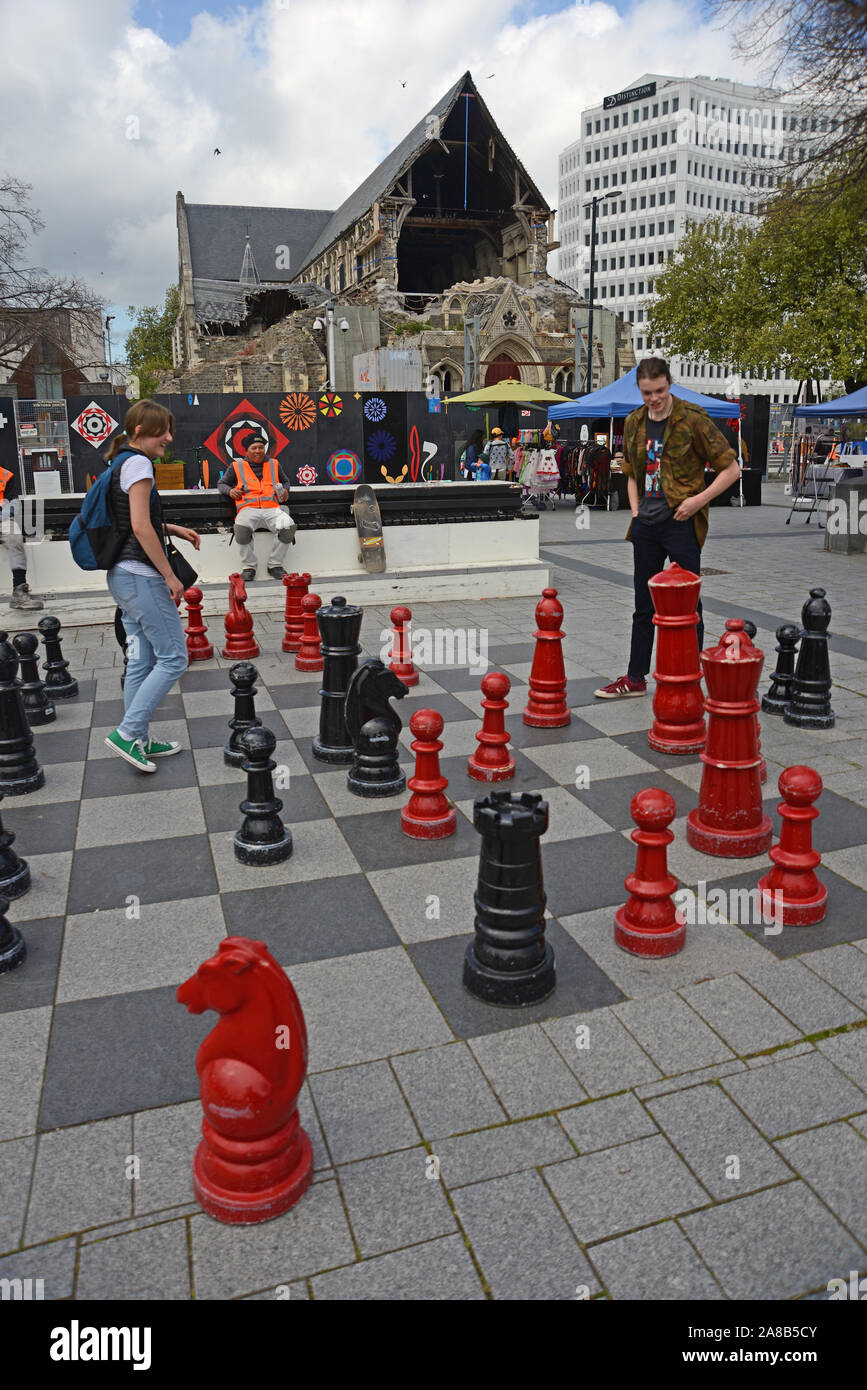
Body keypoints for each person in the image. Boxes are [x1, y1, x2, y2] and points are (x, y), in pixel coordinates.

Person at [594, 356, 741, 699]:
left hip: (681, 522)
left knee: (690, 605)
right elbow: (631, 472)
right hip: (645, 524)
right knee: (643, 605)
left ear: (669, 384)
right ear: (640, 390)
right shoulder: (633, 422)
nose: (654, 398)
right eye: (647, 392)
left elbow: (731, 469)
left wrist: (696, 501)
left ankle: (690, 677)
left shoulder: (692, 418)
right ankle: (635, 678)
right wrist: (634, 511)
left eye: (659, 391)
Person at [103, 400, 201, 772]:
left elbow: (132, 521)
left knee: (141, 661)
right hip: (142, 578)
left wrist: (172, 528)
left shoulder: (120, 461)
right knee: (175, 657)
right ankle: (128, 732)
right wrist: (170, 575)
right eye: (162, 431)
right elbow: (140, 528)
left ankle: (139, 740)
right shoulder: (140, 464)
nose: (170, 438)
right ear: (141, 432)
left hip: (121, 576)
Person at [216, 438, 295, 581]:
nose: (258, 451)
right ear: (246, 450)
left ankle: (275, 565)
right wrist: (230, 491)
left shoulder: (274, 464)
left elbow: (285, 481)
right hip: (248, 509)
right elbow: (222, 484)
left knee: (288, 526)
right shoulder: (236, 466)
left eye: (261, 447)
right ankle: (249, 567)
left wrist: (285, 490)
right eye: (254, 448)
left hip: (272, 508)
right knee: (240, 528)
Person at [0, 465, 43, 610]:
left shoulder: (5, 475)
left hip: (2, 519)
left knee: (15, 537)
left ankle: (19, 592)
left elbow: (14, 503)